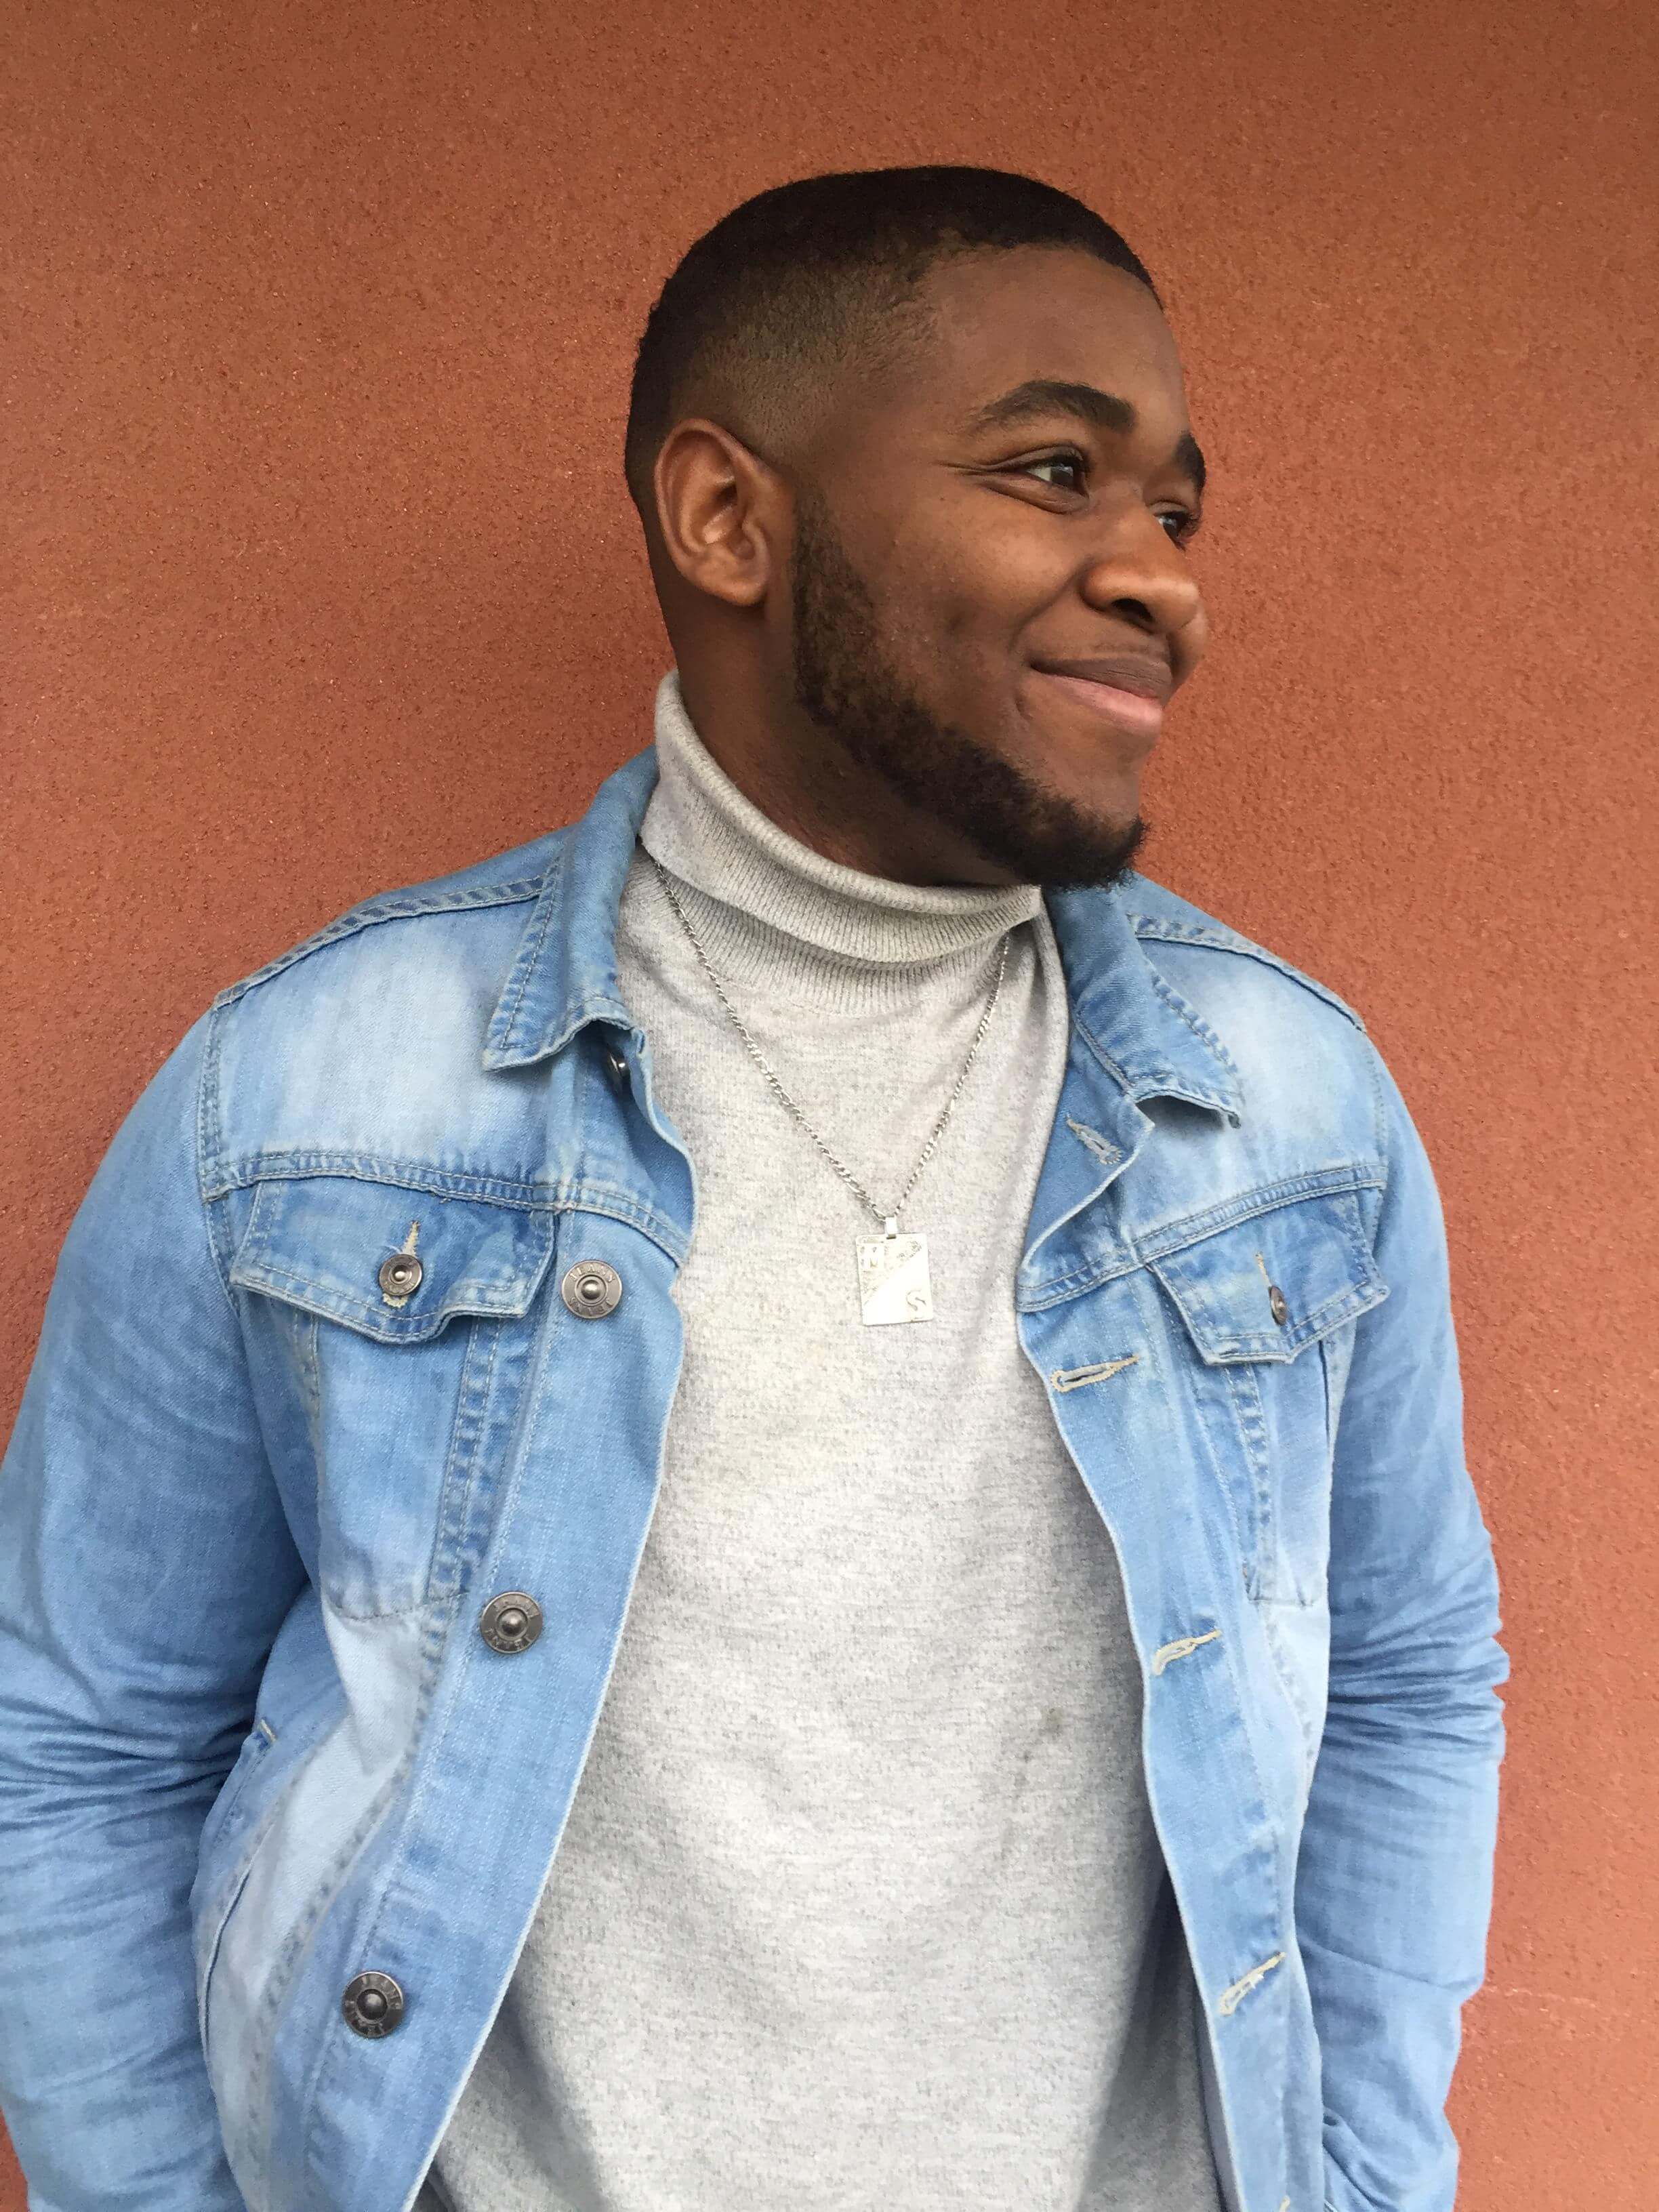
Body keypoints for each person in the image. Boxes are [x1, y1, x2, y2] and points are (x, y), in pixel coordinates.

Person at [0, 166, 1508, 2212]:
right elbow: (74, 1747)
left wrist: (1369, 2180)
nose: (1162, 579)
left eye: (1175, 511)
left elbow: (1414, 1680)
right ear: (728, 518)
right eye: (1054, 472)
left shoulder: (1290, 1113)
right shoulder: (310, 1097)